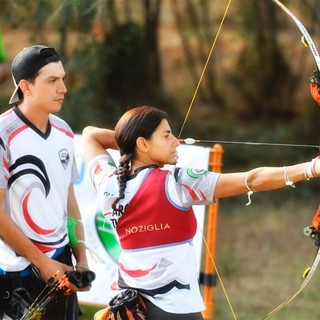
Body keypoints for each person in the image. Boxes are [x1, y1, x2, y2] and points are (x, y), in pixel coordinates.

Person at [82, 105, 320, 320]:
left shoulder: (108, 182)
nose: (176, 141)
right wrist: (311, 168)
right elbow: (252, 180)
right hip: (175, 311)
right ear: (143, 143)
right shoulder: (177, 182)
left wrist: (129, 144)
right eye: (166, 136)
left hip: (128, 307)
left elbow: (91, 134)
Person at [0, 45, 91, 320]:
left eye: (62, 79)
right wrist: (41, 262)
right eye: (52, 81)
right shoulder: (4, 134)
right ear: (26, 87)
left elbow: (69, 201)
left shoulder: (64, 131)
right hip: (17, 271)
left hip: (61, 262)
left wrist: (81, 258)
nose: (62, 88)